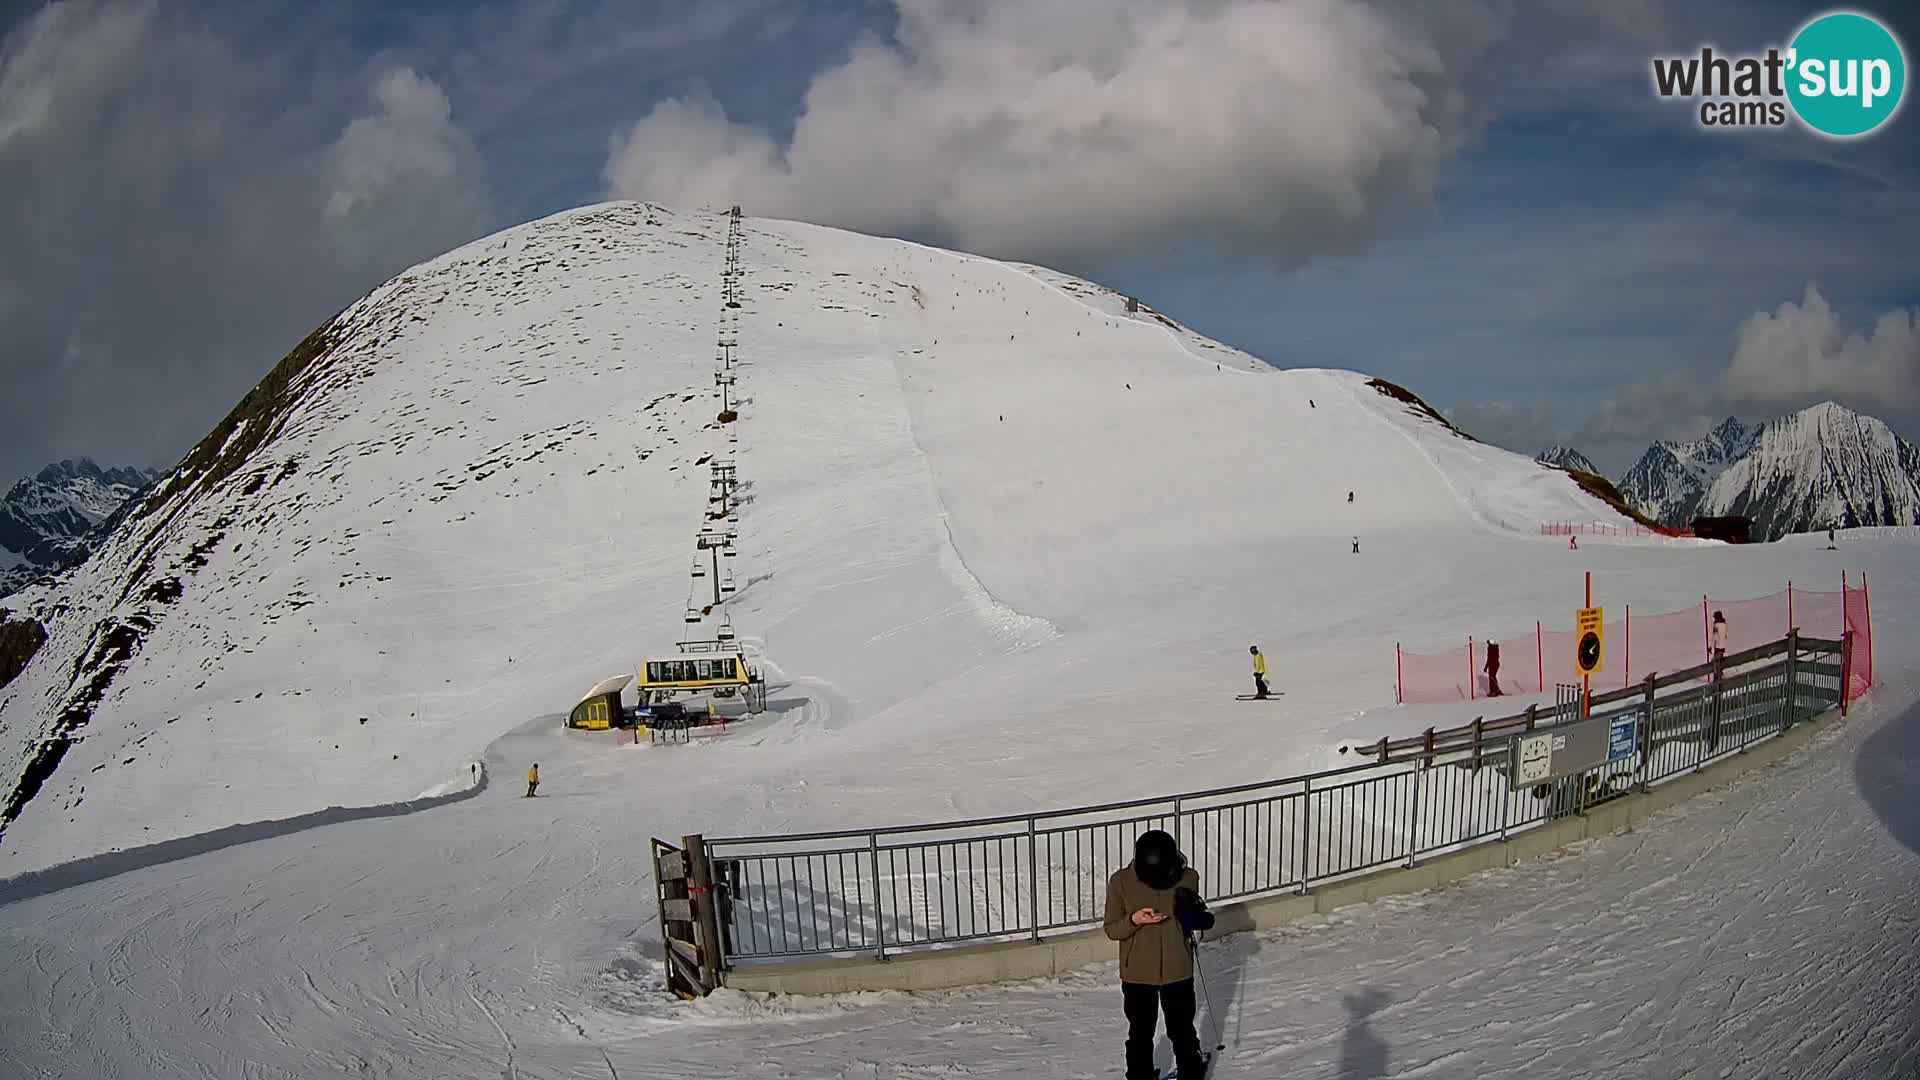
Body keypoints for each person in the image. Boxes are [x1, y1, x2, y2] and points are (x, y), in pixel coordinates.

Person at [1105, 830, 1215, 1080]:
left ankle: (1190, 1072)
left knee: (1181, 1029)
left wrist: (1195, 917)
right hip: (1138, 973)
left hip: (1177, 969)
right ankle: (1139, 1075)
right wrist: (1134, 920)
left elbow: (1193, 917)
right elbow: (1112, 929)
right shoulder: (1121, 882)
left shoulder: (1188, 877)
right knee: (1141, 1032)